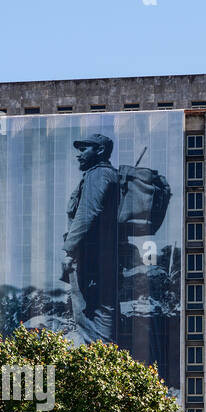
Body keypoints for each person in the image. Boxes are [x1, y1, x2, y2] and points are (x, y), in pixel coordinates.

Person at [61, 134, 120, 344]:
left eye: (84, 149)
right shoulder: (105, 175)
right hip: (101, 255)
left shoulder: (98, 175)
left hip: (90, 257)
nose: (79, 155)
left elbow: (87, 214)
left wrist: (69, 250)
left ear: (100, 150)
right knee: (101, 308)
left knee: (87, 312)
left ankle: (96, 359)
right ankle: (103, 356)